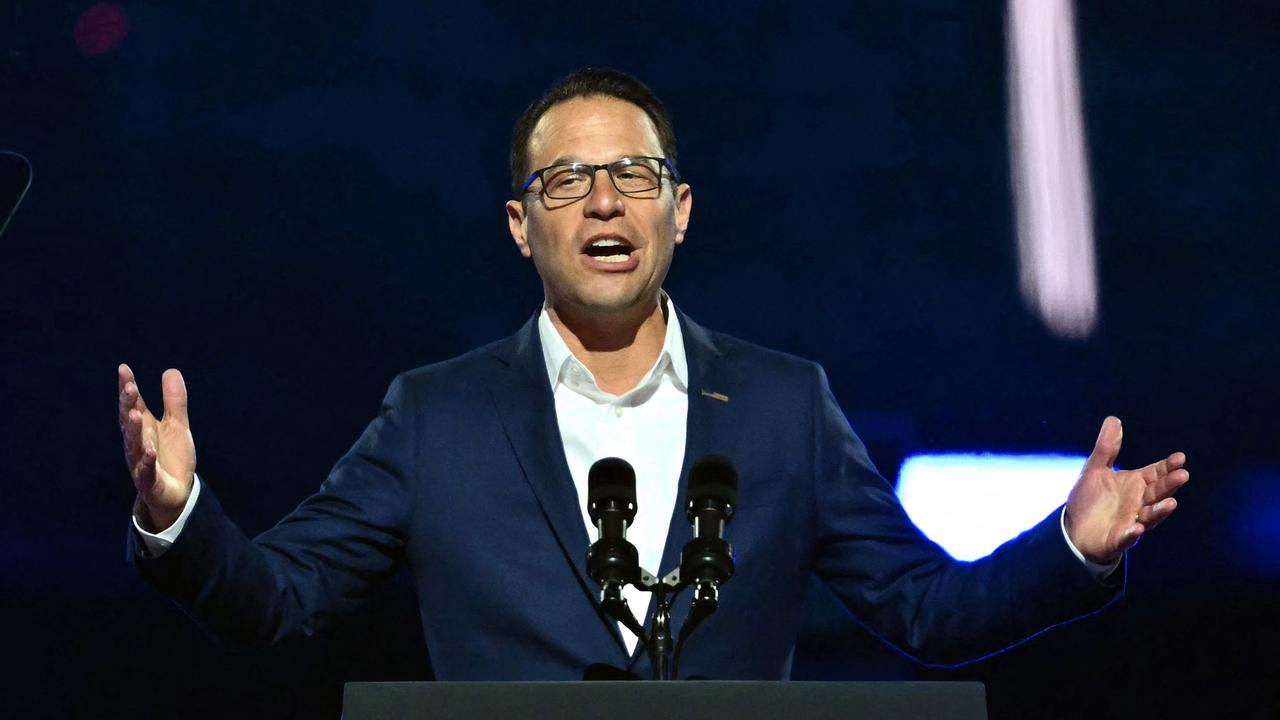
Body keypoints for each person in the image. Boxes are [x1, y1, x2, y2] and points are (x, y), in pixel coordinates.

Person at [118, 68, 1189, 680]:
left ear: (677, 210)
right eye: (567, 180)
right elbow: (281, 597)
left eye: (633, 174)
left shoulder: (783, 406)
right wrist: (178, 517)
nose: (602, 202)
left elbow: (922, 609)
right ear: (518, 225)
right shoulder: (433, 416)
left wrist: (1068, 550)